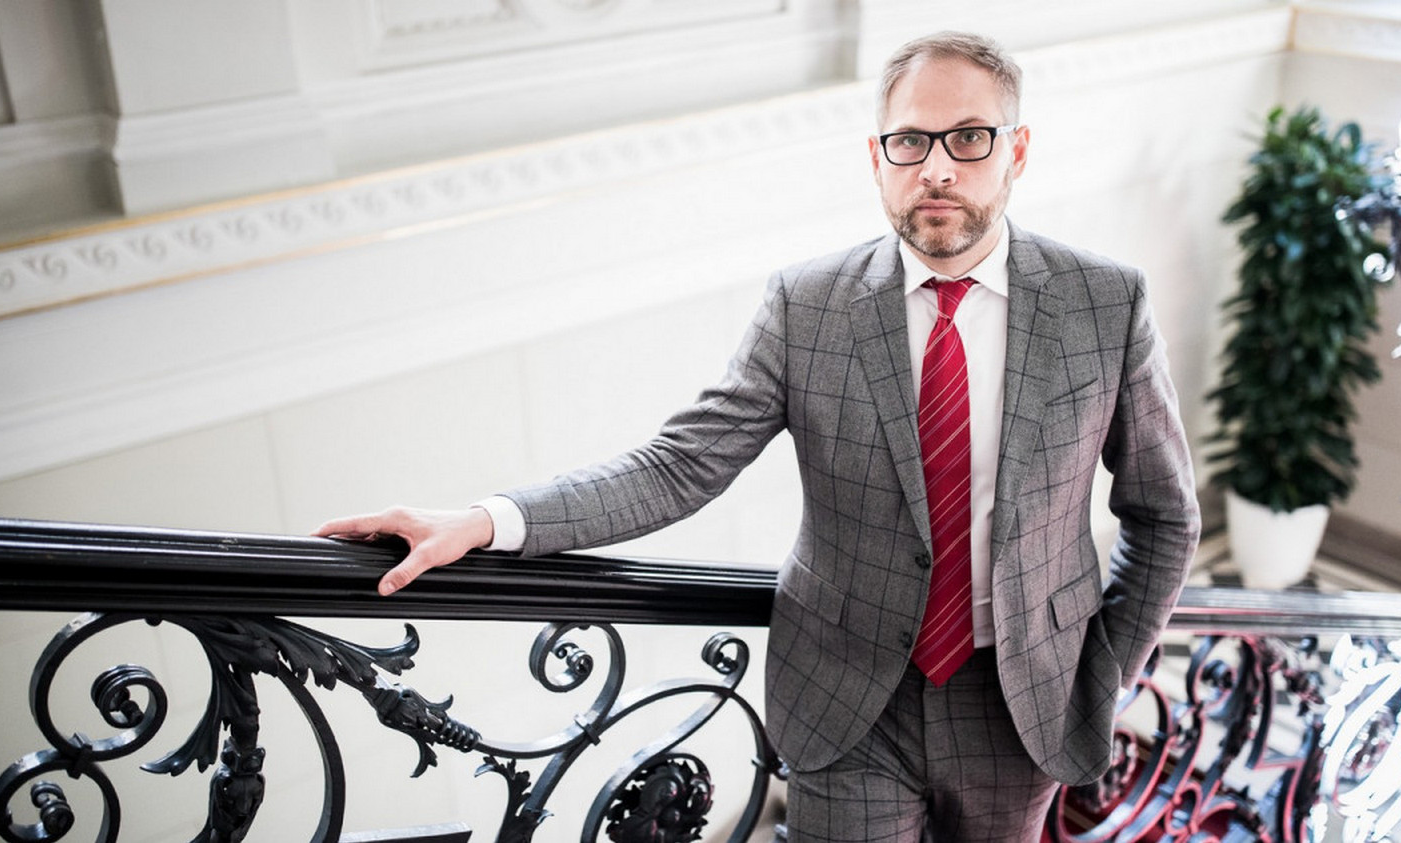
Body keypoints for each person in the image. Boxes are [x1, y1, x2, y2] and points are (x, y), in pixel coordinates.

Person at [316, 31, 1200, 842]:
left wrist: (1106, 670)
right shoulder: (806, 306)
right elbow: (680, 466)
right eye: (910, 141)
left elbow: (1163, 514)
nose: (937, 168)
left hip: (1021, 701)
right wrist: (487, 520)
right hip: (850, 699)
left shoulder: (1104, 304)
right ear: (877, 158)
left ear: (1017, 150)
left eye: (969, 137)